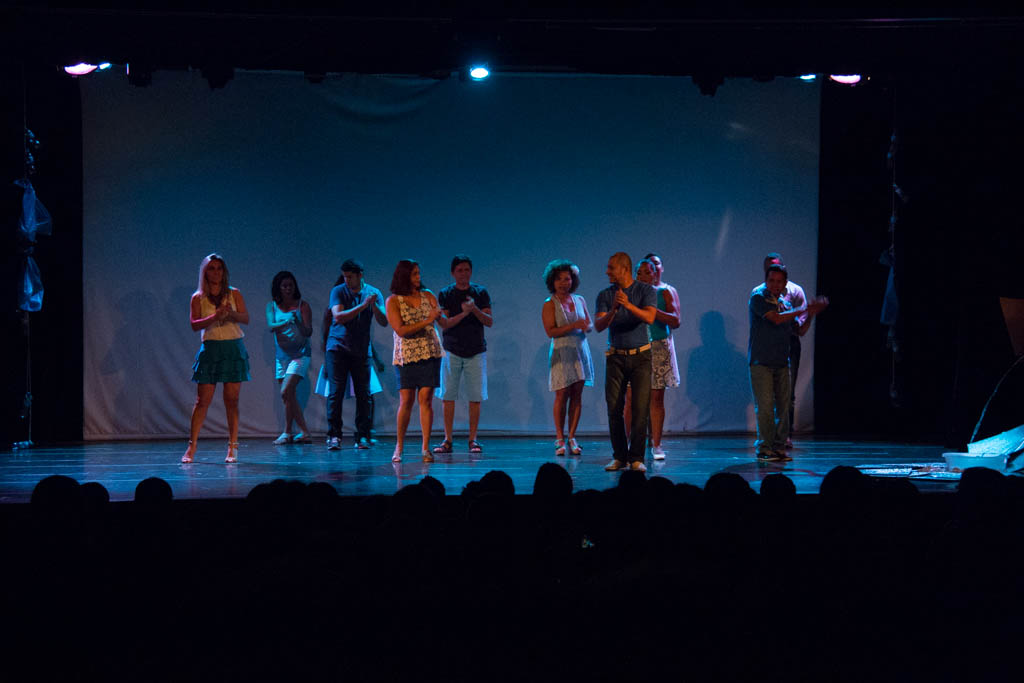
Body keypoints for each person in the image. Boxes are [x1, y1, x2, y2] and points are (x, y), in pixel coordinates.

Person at [749, 263, 827, 462]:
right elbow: (775, 319)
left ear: (785, 284)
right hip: (761, 361)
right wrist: (804, 308)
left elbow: (799, 330)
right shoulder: (758, 297)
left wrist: (809, 314)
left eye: (778, 282)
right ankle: (765, 448)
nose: (774, 285)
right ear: (766, 281)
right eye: (771, 281)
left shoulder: (787, 303)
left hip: (782, 361)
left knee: (783, 407)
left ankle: (778, 447)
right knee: (765, 407)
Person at [182, 253, 250, 464]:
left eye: (219, 268)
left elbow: (245, 318)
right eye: (211, 268)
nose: (216, 272)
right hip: (211, 349)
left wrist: (229, 314)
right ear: (205, 272)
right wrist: (215, 316)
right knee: (202, 400)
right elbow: (194, 325)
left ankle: (233, 446)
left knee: (232, 400)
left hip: (232, 348)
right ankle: (192, 446)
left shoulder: (233, 293)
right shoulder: (198, 297)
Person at [595, 252, 658, 472]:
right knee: (614, 408)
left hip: (641, 356)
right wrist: (614, 309)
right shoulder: (605, 294)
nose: (607, 271)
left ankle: (637, 458)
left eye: (611, 267)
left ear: (624, 268)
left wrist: (628, 305)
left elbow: (650, 317)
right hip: (616, 356)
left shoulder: (645, 290)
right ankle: (619, 456)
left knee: (640, 409)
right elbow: (599, 325)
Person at [433, 255, 493, 455]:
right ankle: (447, 440)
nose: (464, 274)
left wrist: (474, 308)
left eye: (467, 270)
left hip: (476, 350)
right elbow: (444, 323)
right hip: (452, 349)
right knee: (448, 396)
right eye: (460, 270)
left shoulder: (480, 292)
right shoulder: (446, 294)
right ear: (453, 273)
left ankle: (473, 439)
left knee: (475, 396)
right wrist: (465, 313)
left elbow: (489, 321)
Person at [325, 259, 388, 450]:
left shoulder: (374, 292)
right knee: (336, 393)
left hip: (361, 350)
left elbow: (384, 321)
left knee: (364, 394)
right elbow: (338, 317)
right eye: (345, 276)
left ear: (360, 275)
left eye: (350, 276)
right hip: (338, 348)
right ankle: (334, 436)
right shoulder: (338, 291)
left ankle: (362, 435)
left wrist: (373, 305)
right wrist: (362, 306)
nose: (346, 280)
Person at [386, 259, 443, 463]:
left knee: (426, 398)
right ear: (404, 276)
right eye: (414, 274)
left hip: (429, 352)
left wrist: (453, 314)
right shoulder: (393, 301)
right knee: (407, 400)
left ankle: (426, 447)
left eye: (419, 273)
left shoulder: (428, 296)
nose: (418, 277)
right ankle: (399, 446)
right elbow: (400, 330)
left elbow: (442, 321)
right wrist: (428, 319)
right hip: (407, 356)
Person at [625, 254, 680, 460]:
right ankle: (628, 444)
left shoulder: (665, 292)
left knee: (656, 398)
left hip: (658, 347)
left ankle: (656, 445)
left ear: (658, 271)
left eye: (651, 271)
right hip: (636, 347)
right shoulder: (630, 293)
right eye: (642, 272)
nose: (648, 275)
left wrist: (652, 311)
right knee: (630, 399)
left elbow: (675, 320)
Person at [541, 259, 594, 456]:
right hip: (562, 351)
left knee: (577, 394)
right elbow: (550, 331)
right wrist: (573, 326)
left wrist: (584, 326)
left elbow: (589, 324)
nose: (564, 283)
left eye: (567, 279)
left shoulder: (580, 299)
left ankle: (572, 436)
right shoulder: (550, 304)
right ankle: (559, 437)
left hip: (580, 350)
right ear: (552, 282)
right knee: (561, 394)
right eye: (559, 279)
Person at [315, 304, 384, 442]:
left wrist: (376, 359)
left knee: (366, 392)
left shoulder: (360, 306)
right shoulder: (332, 309)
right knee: (335, 393)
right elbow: (327, 334)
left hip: (360, 353)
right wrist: (327, 361)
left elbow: (366, 335)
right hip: (338, 352)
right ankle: (334, 433)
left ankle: (365, 432)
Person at [266, 271, 313, 445]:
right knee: (288, 396)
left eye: (291, 285)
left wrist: (298, 322)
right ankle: (303, 432)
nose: (288, 289)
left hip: (300, 355)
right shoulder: (271, 306)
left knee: (286, 391)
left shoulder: (303, 305)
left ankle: (287, 431)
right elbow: (271, 326)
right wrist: (286, 322)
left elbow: (308, 331)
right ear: (278, 287)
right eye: (284, 286)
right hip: (282, 356)